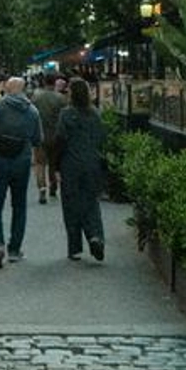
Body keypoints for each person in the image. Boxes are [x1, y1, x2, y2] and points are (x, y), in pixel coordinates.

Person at [0, 75, 42, 268]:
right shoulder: (32, 111)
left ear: (7, 89)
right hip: (22, 161)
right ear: (24, 90)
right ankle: (14, 249)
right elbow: (37, 139)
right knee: (19, 206)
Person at [54, 77, 106, 263]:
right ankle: (95, 235)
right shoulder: (96, 114)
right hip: (92, 163)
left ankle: (74, 247)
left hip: (70, 164)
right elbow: (102, 138)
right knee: (91, 202)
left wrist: (56, 166)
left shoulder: (66, 114)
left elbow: (60, 140)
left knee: (71, 204)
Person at [31, 76, 68, 202]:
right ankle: (53, 186)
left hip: (40, 135)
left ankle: (42, 188)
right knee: (53, 163)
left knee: (40, 163)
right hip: (56, 135)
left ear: (44, 82)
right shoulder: (61, 98)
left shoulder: (36, 97)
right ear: (54, 83)